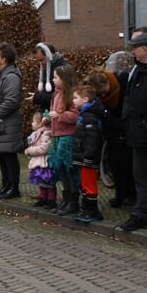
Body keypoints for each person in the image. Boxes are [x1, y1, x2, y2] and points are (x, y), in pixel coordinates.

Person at [117, 29, 147, 232]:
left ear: (146, 48)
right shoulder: (138, 70)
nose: (133, 51)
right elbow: (129, 96)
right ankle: (140, 214)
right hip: (137, 134)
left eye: (135, 47)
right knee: (141, 177)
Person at [85, 69, 133, 208]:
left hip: (125, 131)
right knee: (115, 165)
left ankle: (130, 194)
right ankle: (121, 194)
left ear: (107, 83)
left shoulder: (123, 83)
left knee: (129, 165)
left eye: (103, 91)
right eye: (99, 94)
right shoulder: (101, 99)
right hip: (112, 133)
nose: (103, 95)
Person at [0, 42, 24, 199]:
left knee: (9, 155)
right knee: (2, 154)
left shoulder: (11, 77)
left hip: (6, 123)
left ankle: (13, 186)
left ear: (4, 59)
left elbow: (12, 100)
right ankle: (6, 184)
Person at [71, 84, 107, 223]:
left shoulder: (89, 116)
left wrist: (89, 156)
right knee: (85, 183)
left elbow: (93, 139)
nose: (73, 100)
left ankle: (91, 211)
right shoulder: (85, 115)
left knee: (89, 184)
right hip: (84, 156)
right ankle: (87, 210)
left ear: (85, 99)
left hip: (88, 158)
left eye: (75, 98)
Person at [47, 65, 80, 215]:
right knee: (60, 169)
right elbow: (53, 113)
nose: (53, 80)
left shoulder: (71, 95)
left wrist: (59, 116)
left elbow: (75, 116)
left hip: (67, 137)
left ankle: (73, 201)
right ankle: (66, 199)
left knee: (68, 169)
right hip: (56, 137)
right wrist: (48, 120)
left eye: (56, 77)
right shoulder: (56, 94)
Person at [25, 111, 56, 208]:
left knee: (48, 182)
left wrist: (30, 150)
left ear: (40, 123)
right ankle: (43, 198)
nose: (31, 124)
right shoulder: (37, 134)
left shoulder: (46, 134)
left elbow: (44, 148)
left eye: (33, 122)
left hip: (45, 162)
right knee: (41, 182)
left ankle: (51, 200)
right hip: (39, 161)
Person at [31, 43, 70, 110]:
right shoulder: (45, 68)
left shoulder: (62, 70)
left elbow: (61, 94)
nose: (40, 63)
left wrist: (38, 98)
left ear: (49, 55)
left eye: (41, 60)